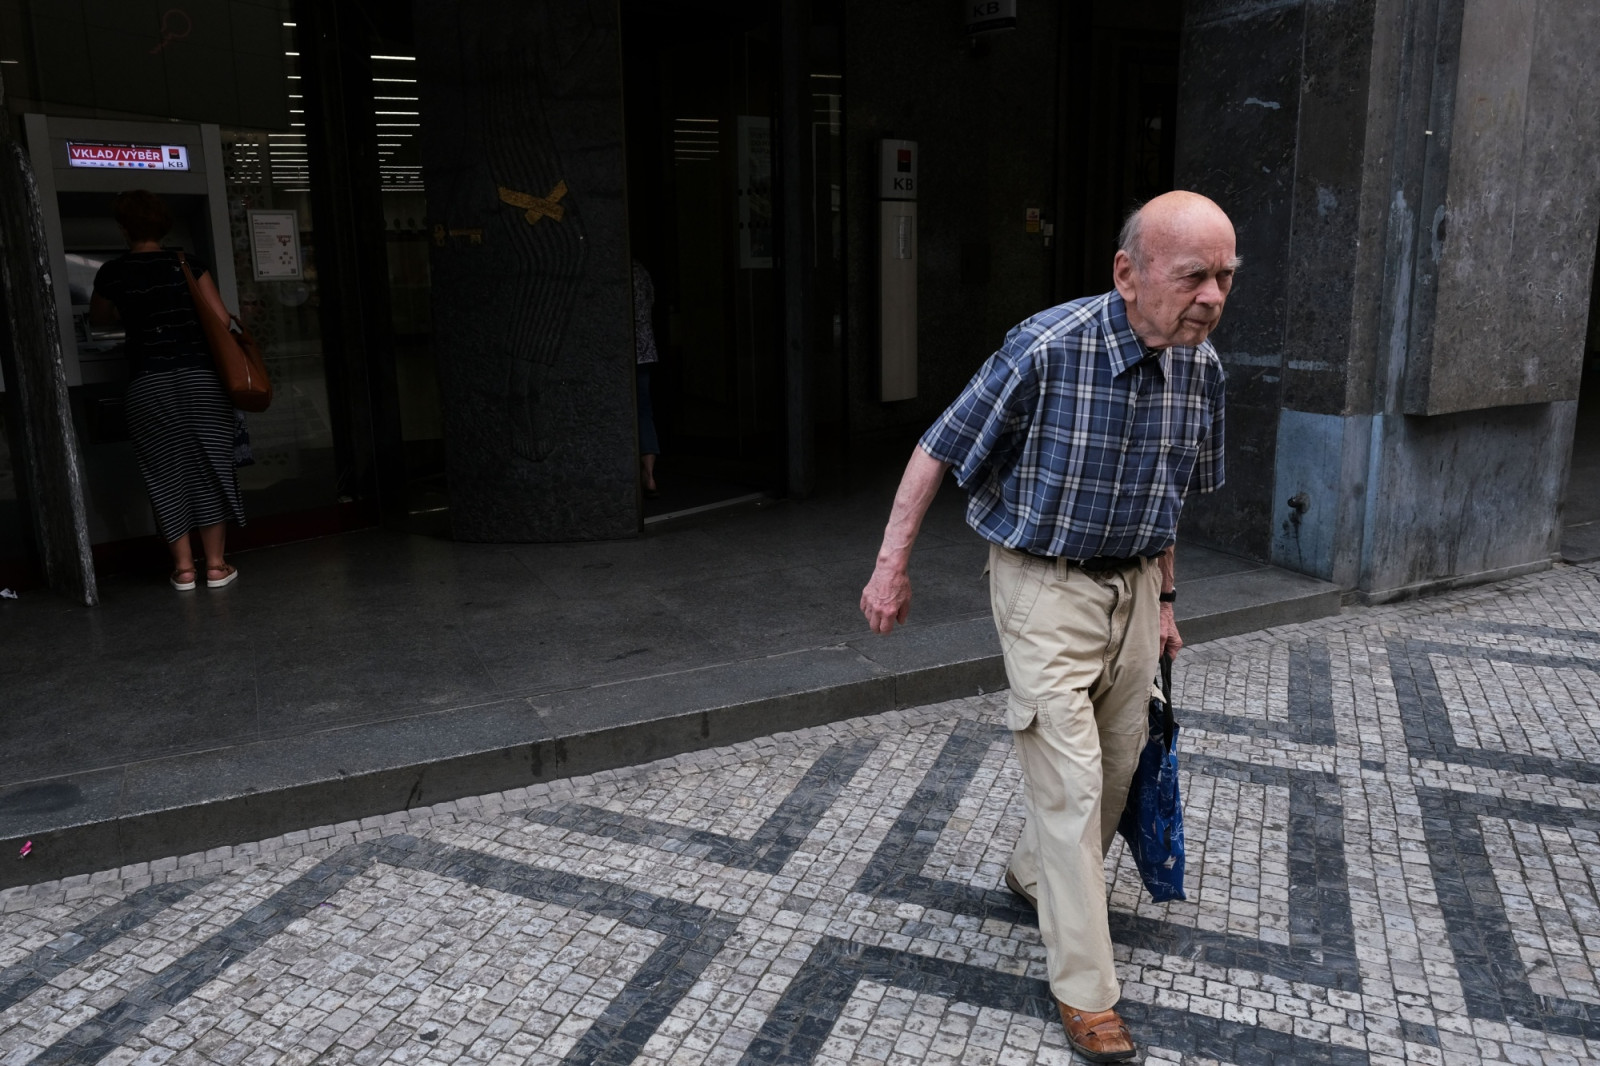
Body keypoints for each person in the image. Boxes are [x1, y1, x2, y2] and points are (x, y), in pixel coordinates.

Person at [859, 190, 1235, 1063]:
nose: (1213, 297)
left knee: (1116, 768)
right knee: (1069, 785)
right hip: (1043, 585)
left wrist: (1167, 603)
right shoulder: (1047, 347)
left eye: (1225, 277)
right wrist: (889, 565)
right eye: (1194, 277)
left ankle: (1034, 875)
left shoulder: (1202, 366)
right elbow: (938, 447)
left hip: (1134, 585)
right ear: (1127, 274)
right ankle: (1087, 992)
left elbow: (1169, 494)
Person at [90, 190, 245, 591]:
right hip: (201, 381)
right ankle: (215, 566)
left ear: (124, 229)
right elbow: (221, 320)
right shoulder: (188, 263)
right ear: (164, 226)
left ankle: (184, 570)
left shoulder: (113, 272)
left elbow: (98, 318)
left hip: (149, 384)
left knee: (164, 473)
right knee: (209, 468)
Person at [633, 259, 661, 498]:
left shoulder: (617, 273)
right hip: (645, 351)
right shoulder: (641, 271)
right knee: (644, 410)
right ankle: (649, 474)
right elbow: (651, 302)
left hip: (623, 353)